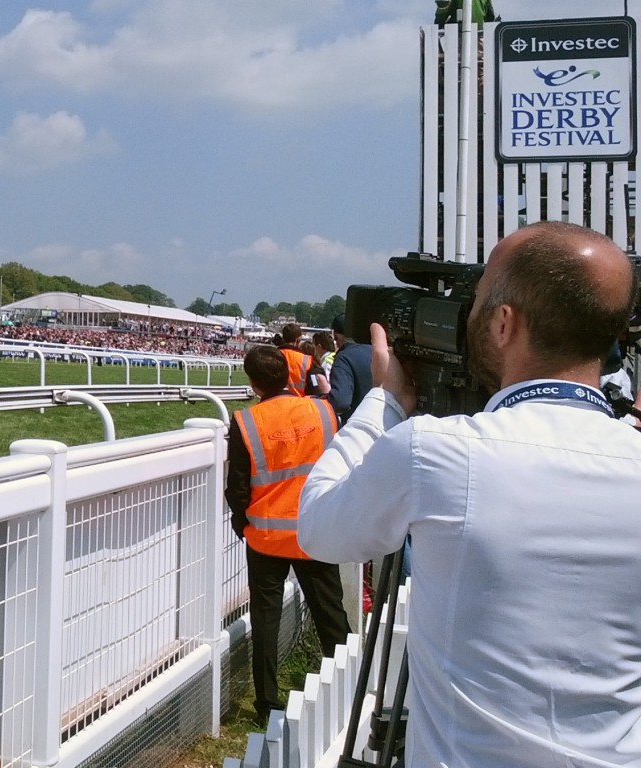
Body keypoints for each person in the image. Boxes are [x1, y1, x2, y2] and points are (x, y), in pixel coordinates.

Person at [298, 221, 641, 767]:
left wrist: (385, 401)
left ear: (505, 323)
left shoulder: (436, 452)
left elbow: (318, 528)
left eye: (477, 300)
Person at [226, 345, 351, 724]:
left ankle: (267, 704)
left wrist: (241, 523)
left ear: (253, 382)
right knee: (331, 616)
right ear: (288, 374)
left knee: (265, 620)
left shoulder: (247, 421)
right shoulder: (323, 410)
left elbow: (237, 488)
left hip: (265, 537)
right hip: (315, 530)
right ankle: (348, 688)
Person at [327, 314, 372, 424]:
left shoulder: (344, 357)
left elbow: (340, 402)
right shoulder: (383, 352)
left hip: (357, 428)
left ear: (337, 335)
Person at [279, 323, 329, 396]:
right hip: (299, 403)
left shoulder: (272, 356)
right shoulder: (306, 360)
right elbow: (314, 388)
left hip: (274, 403)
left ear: (283, 338)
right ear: (298, 340)